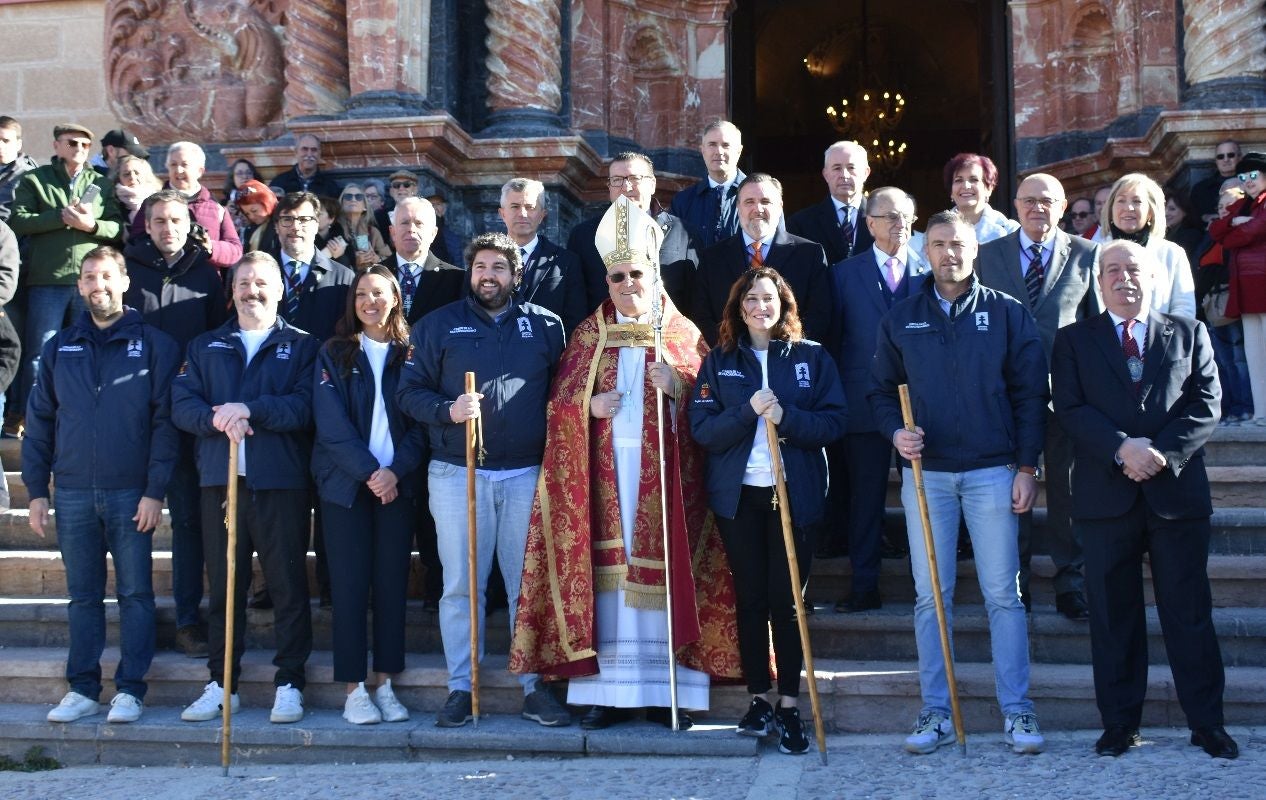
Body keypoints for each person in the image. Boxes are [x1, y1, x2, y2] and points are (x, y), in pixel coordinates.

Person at [510, 195, 741, 731]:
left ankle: (668, 693)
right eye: (616, 277)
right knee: (609, 585)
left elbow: (712, 406)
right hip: (604, 483)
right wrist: (584, 407)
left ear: (654, 272)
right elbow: (557, 404)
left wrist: (680, 385)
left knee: (662, 582)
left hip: (667, 486)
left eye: (636, 273)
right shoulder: (589, 334)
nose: (627, 284)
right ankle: (604, 695)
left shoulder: (682, 335)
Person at [870, 210, 1048, 755]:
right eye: (940, 244)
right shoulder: (902, 317)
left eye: (960, 244)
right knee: (931, 599)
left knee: (1003, 595)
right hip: (928, 477)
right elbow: (879, 393)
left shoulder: (1008, 313)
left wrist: (1026, 467)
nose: (950, 253)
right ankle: (936, 712)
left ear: (977, 250)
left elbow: (1029, 397)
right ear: (927, 251)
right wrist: (896, 435)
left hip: (994, 471)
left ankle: (1017, 712)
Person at [1050, 239, 1235, 760]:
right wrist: (1121, 449)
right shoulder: (1072, 341)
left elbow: (1206, 403)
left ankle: (1207, 723)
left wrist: (1159, 453)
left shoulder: (1189, 332)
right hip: (1106, 498)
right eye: (1111, 270)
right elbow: (1070, 406)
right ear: (1098, 281)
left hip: (1175, 494)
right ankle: (1119, 724)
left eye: (1132, 268)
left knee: (1189, 613)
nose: (1123, 278)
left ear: (1150, 276)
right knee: (1113, 615)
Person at [397, 232, 572, 728]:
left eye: (499, 267)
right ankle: (461, 685)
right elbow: (409, 393)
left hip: (525, 474)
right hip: (458, 473)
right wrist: (447, 410)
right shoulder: (436, 326)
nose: (488, 276)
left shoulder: (546, 327)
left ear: (515, 275)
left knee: (526, 585)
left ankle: (533, 685)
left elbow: (565, 392)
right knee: (460, 586)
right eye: (480, 268)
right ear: (469, 273)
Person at [689, 267, 845, 754]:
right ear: (738, 307)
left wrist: (786, 418)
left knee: (788, 603)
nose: (760, 306)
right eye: (751, 299)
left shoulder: (812, 358)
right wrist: (747, 411)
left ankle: (790, 705)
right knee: (751, 600)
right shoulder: (720, 361)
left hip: (792, 496)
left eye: (769, 298)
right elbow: (704, 430)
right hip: (741, 499)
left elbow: (835, 422)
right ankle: (759, 698)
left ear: (784, 304)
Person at [24, 246, 179, 724]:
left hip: (132, 492)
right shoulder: (59, 346)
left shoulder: (155, 344)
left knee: (134, 594)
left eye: (106, 276)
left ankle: (130, 690)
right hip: (70, 492)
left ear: (124, 282)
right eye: (89, 277)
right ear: (80, 287)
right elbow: (41, 419)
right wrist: (34, 491)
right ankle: (83, 688)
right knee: (83, 596)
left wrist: (155, 490)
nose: (98, 286)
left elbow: (165, 424)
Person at [172, 251, 319, 725]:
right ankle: (222, 682)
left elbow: (305, 407)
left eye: (261, 283)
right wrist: (217, 417)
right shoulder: (204, 346)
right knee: (225, 589)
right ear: (231, 290)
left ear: (280, 289)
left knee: (288, 587)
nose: (251, 291)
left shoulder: (302, 346)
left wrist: (251, 409)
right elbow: (182, 404)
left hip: (280, 483)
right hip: (221, 481)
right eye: (243, 283)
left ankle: (290, 681)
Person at [976, 173, 1100, 620]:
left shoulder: (1087, 254)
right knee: (1014, 494)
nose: (1037, 208)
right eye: (1028, 200)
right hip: (1005, 397)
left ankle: (1071, 582)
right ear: (1015, 205)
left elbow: (1095, 329)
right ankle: (1017, 584)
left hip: (1067, 397)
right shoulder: (988, 256)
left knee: (1066, 492)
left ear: (1063, 206)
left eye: (1046, 201)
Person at [313, 265, 425, 725]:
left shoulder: (412, 353)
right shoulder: (333, 352)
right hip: (347, 488)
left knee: (392, 587)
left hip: (396, 487)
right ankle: (355, 689)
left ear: (395, 298)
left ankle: (387, 682)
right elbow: (331, 424)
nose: (370, 301)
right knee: (350, 588)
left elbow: (422, 421)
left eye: (379, 293)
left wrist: (394, 472)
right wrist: (370, 473)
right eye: (362, 294)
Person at [122, 190, 228, 658]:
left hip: (186, 413)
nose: (167, 228)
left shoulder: (207, 275)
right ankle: (134, 618)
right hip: (133, 415)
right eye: (159, 220)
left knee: (187, 521)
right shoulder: (128, 270)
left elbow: (214, 340)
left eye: (176, 220)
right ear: (147, 225)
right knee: (131, 520)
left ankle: (188, 620)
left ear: (189, 223)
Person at [825, 187, 929, 608]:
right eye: (889, 217)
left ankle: (928, 587)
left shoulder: (928, 271)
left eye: (906, 216)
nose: (899, 224)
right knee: (865, 501)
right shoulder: (843, 273)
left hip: (921, 405)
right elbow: (835, 338)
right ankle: (864, 584)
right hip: (862, 401)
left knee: (923, 499)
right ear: (869, 224)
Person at [9, 123, 123, 440]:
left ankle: (84, 416)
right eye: (72, 143)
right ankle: (36, 419)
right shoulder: (35, 179)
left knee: (89, 350)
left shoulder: (100, 183)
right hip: (48, 280)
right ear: (56, 145)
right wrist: (59, 216)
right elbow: (18, 220)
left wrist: (90, 225)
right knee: (40, 352)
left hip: (91, 285)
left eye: (86, 145)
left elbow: (115, 228)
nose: (79, 149)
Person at [694, 173, 831, 346]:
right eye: (749, 201)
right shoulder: (712, 258)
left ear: (780, 206)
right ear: (738, 207)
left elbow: (820, 314)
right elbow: (701, 315)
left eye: (765, 202)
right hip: (729, 362)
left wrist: (790, 352)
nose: (758, 209)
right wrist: (731, 353)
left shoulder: (810, 254)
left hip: (790, 362)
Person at [567, 152, 698, 315]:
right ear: (609, 187)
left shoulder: (685, 233)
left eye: (634, 178)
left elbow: (696, 297)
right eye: (617, 180)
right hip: (605, 336)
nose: (626, 187)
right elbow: (575, 299)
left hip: (668, 335)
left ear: (652, 184)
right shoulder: (583, 235)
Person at [1209, 151, 1266, 426]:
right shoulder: (1244, 206)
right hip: (1246, 288)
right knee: (1254, 356)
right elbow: (1217, 231)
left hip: (1262, 284)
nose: (1248, 181)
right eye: (1243, 177)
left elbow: (1251, 232)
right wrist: (1234, 222)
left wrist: (1237, 229)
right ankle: (1261, 413)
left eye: (1254, 175)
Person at [1092, 173, 1196, 318]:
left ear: (1151, 212)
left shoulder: (1172, 253)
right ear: (1111, 209)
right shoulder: (1092, 251)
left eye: (1137, 201)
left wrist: (1165, 337)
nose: (1128, 207)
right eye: (1121, 200)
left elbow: (1184, 307)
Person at [128, 142, 243, 272]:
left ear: (200, 171)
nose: (178, 170)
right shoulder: (152, 203)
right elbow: (136, 242)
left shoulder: (217, 209)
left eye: (185, 164)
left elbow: (235, 250)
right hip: (161, 280)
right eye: (173, 164)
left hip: (203, 285)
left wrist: (210, 247)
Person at [498, 177, 587, 332]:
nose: (522, 213)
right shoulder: (481, 260)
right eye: (515, 206)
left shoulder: (566, 262)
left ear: (542, 215)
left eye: (530, 207)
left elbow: (575, 321)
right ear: (502, 213)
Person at [909, 153, 1019, 254]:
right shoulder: (934, 232)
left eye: (974, 180)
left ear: (988, 189)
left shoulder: (1010, 232)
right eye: (958, 180)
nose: (966, 186)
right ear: (951, 192)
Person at [786, 141, 875, 265]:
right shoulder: (801, 224)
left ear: (866, 173)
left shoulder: (883, 219)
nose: (844, 175)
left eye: (851, 167)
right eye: (837, 168)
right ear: (826, 174)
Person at [383, 196, 465, 326]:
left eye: (419, 223)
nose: (411, 229)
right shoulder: (375, 275)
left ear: (433, 233)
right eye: (404, 222)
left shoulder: (457, 279)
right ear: (392, 232)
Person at [669, 120, 746, 248]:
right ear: (703, 150)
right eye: (712, 144)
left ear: (739, 150)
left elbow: (777, 248)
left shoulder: (762, 197)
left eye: (726, 145)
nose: (719, 151)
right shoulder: (682, 202)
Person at [333, 182, 391, 269]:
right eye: (348, 196)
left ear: (365, 206)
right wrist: (353, 260)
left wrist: (376, 259)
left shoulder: (372, 231)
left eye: (358, 197)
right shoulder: (333, 228)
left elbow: (389, 260)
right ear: (341, 203)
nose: (353, 199)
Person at [270, 133, 341, 198]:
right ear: (296, 152)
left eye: (314, 150)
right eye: (305, 149)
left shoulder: (330, 186)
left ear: (319, 154)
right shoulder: (279, 183)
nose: (309, 154)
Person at [1193, 139, 1242, 223]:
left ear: (1240, 157)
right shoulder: (1200, 189)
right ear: (1216, 161)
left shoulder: (1251, 184)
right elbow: (1194, 220)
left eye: (1230, 155)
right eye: (1220, 157)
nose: (1226, 159)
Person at [0, 116, 39, 222]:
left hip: (12, 236)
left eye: (6, 141)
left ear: (18, 144)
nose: (0, 146)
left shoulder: (30, 175)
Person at [112, 155, 162, 234]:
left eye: (137, 173)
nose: (132, 177)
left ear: (146, 175)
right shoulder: (112, 203)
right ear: (119, 178)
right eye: (126, 174)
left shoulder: (159, 201)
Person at [235, 180, 279, 254]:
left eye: (254, 211)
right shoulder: (249, 228)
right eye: (247, 214)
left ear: (266, 203)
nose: (251, 217)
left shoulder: (282, 224)